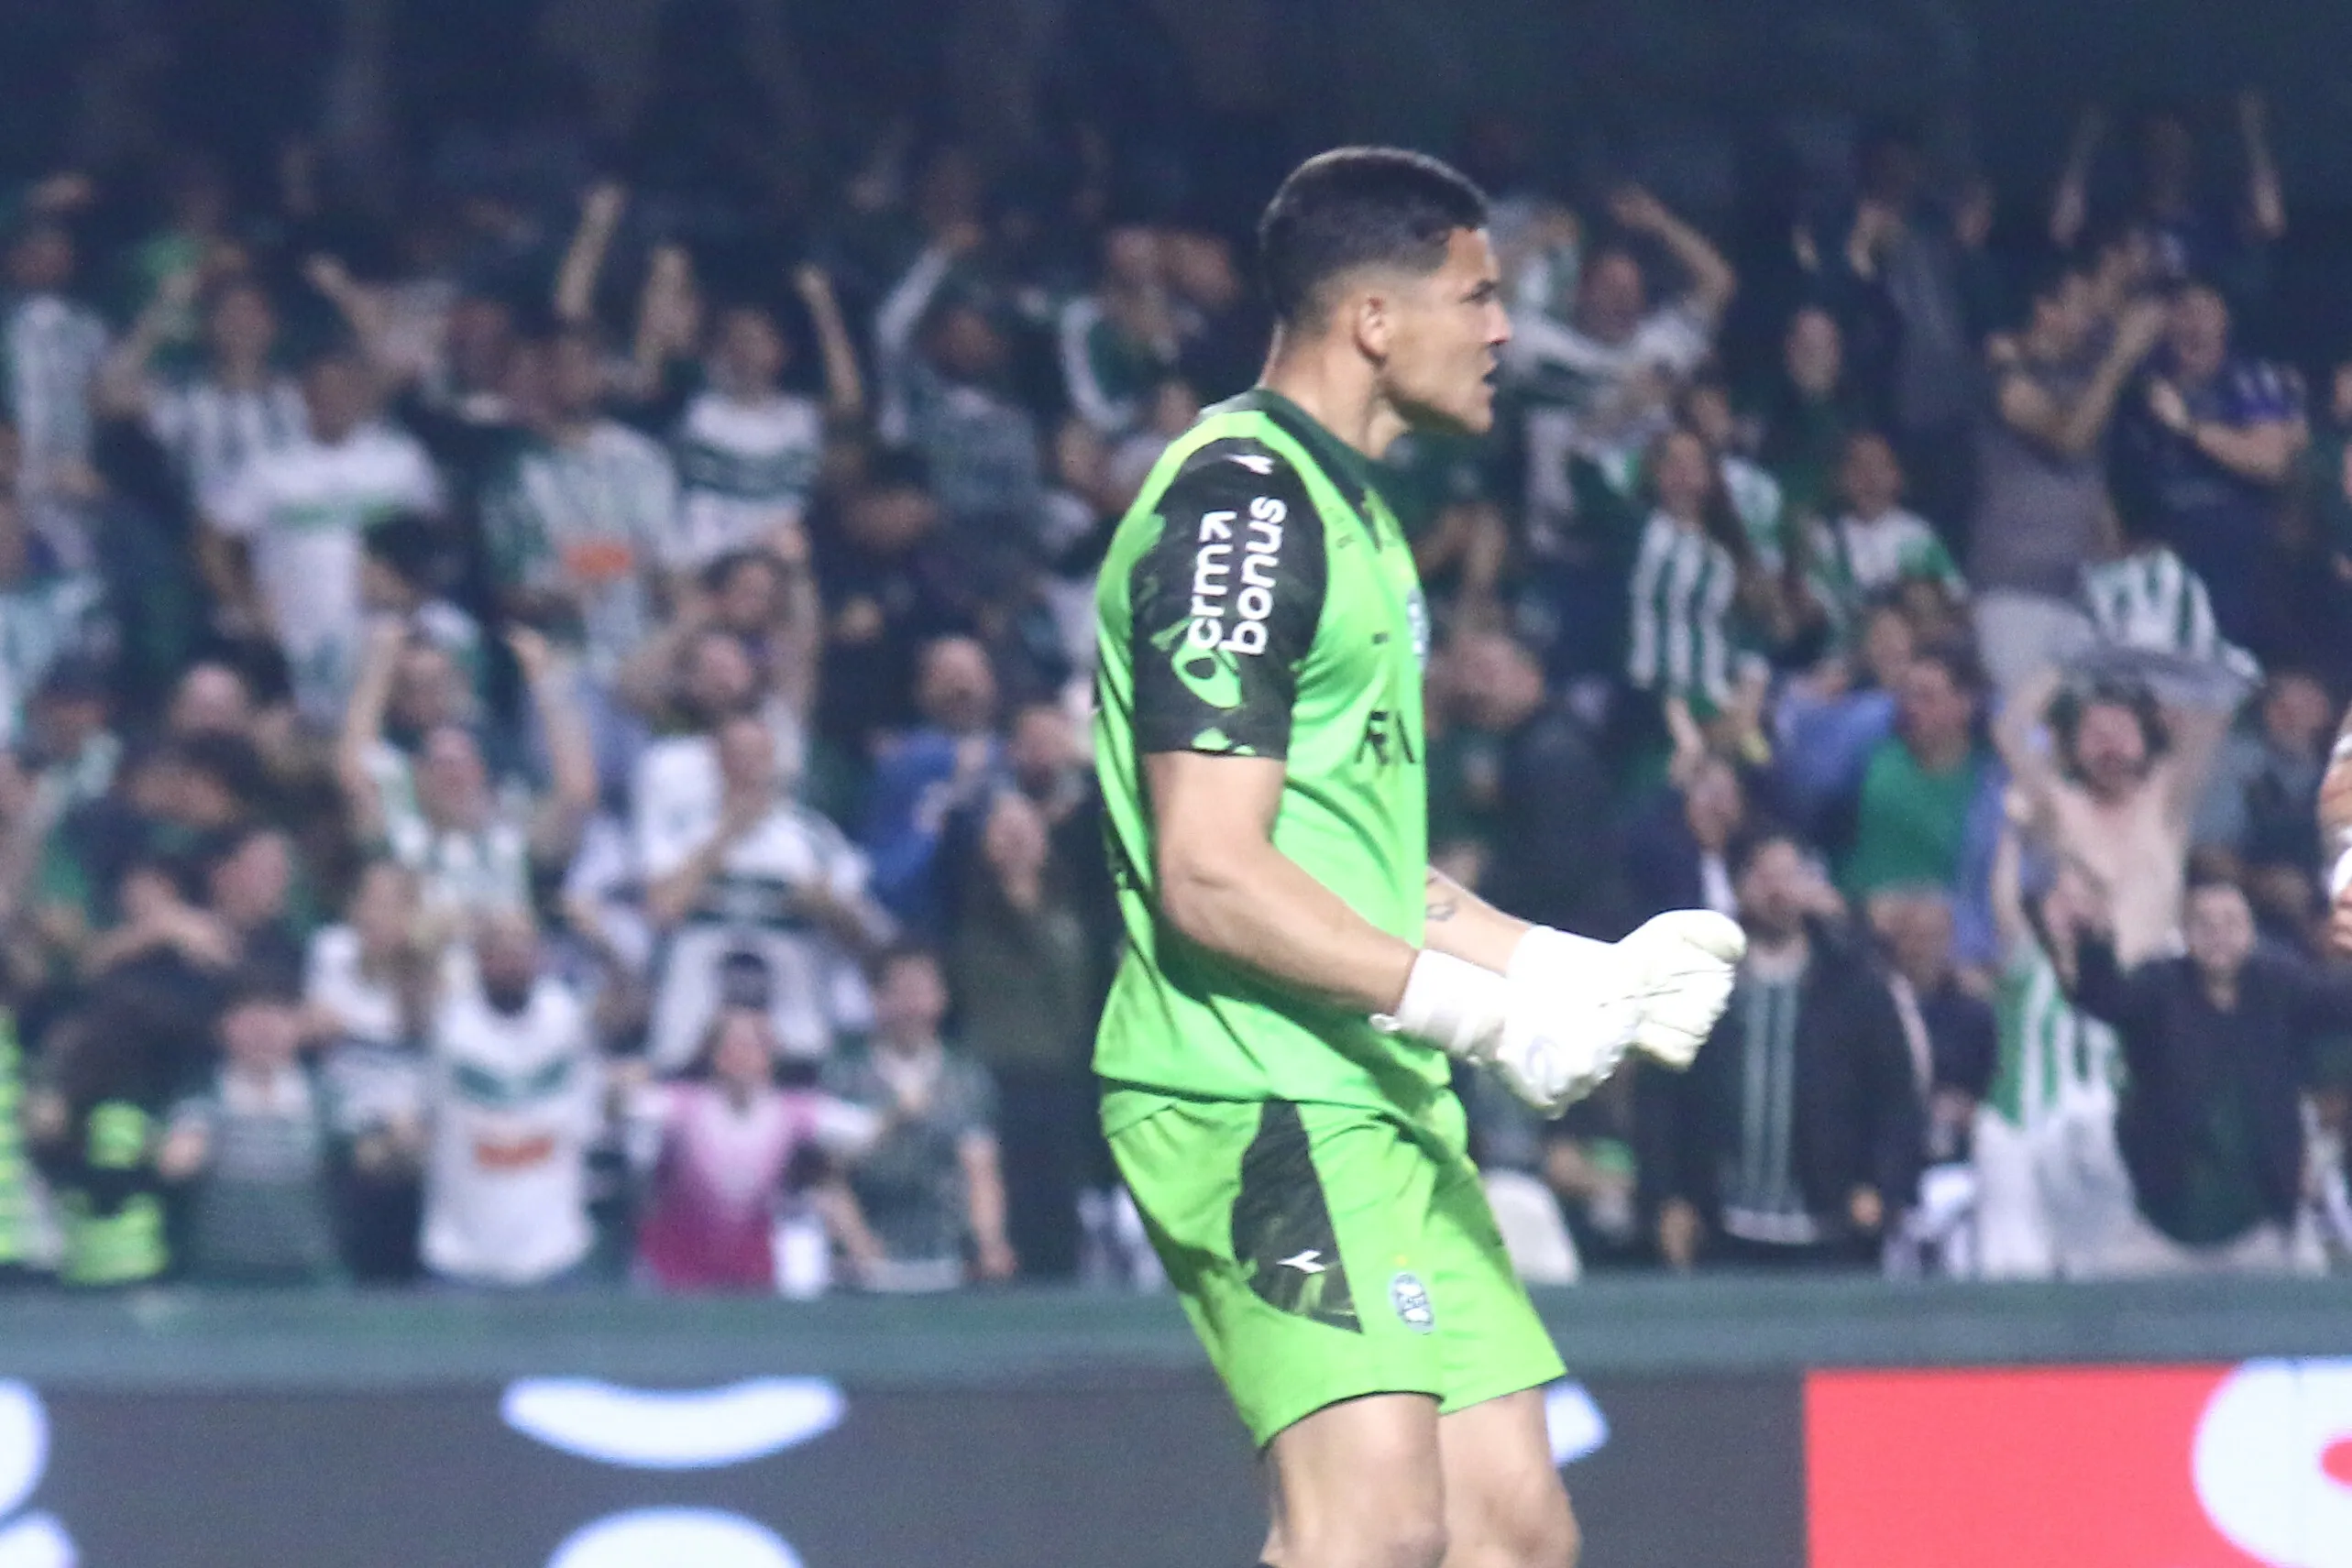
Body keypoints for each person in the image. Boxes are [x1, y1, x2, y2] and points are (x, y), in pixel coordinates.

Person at [1090, 148, 1742, 1568]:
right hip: (1255, 1080)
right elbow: (1210, 873)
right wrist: (1479, 1011)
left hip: (1373, 1088)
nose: (1505, 328)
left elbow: (1365, 870)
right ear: (1374, 320)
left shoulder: (1358, 517)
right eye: (1478, 293)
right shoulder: (1241, 510)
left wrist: (1569, 970)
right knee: (1372, 1529)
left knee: (1509, 1530)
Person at [1642, 831, 1922, 1272]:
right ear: (1736, 885)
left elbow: (1895, 1099)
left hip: (1829, 1230)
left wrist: (1882, 1188)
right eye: (1763, 876)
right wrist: (1668, 1197)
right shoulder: (1699, 982)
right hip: (1724, 1230)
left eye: (1789, 876)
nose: (1777, 891)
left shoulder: (1854, 986)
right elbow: (1661, 1098)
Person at [2068, 867, 2348, 1275]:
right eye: (2204, 924)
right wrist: (2094, 939)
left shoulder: (2278, 983)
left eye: (2231, 923)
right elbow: (2103, 1000)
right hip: (2164, 1226)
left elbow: (2335, 1001)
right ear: (2185, 933)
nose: (2218, 934)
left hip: (2262, 1227)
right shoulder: (2159, 985)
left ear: (2251, 930)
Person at [203, 346, 445, 725]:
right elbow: (212, 540)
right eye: (322, 388)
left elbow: (437, 538)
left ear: (362, 391)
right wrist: (245, 607)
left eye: (344, 387)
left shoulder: (401, 461)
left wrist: (416, 596)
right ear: (304, 394)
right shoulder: (271, 468)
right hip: (299, 645)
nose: (333, 398)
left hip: (388, 641)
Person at [1967, 267, 2165, 693]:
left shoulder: (2086, 380)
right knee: (2022, 729)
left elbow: (2089, 480)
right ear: (2046, 310)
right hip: (2015, 592)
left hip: (2081, 595)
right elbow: (2070, 439)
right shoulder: (2003, 376)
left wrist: (2116, 555)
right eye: (2080, 305)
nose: (2093, 317)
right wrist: (2120, 357)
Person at [630, 1009, 881, 1293]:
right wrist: (623, 1085)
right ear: (712, 1053)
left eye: (753, 1047)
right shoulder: (684, 1106)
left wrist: (902, 1111)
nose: (743, 1057)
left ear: (769, 1055)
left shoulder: (792, 1112)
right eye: (732, 1046)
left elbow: (868, 1129)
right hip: (675, 1269)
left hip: (751, 1270)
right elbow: (625, 1105)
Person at [419, 910, 605, 1289]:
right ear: (479, 959)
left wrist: (598, 936)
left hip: (555, 1254)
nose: (511, 960)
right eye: (498, 949)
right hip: (462, 1256)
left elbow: (628, 1002)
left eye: (521, 947)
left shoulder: (566, 1018)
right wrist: (436, 939)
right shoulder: (451, 1026)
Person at [822, 945, 1014, 1292]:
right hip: (866, 1266)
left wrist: (989, 1243)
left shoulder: (965, 1078)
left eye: (923, 991)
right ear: (878, 998)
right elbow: (829, 1174)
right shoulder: (845, 1076)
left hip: (947, 1260)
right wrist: (859, 1244)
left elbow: (981, 1170)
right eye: (902, 992)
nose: (913, 1006)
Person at [157, 972, 343, 1286]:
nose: (263, 1030)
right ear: (223, 1026)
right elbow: (175, 1164)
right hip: (218, 1277)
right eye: (248, 1017)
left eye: (275, 1015)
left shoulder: (325, 1097)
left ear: (298, 1023)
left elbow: (369, 1157)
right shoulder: (202, 1094)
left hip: (311, 1275)